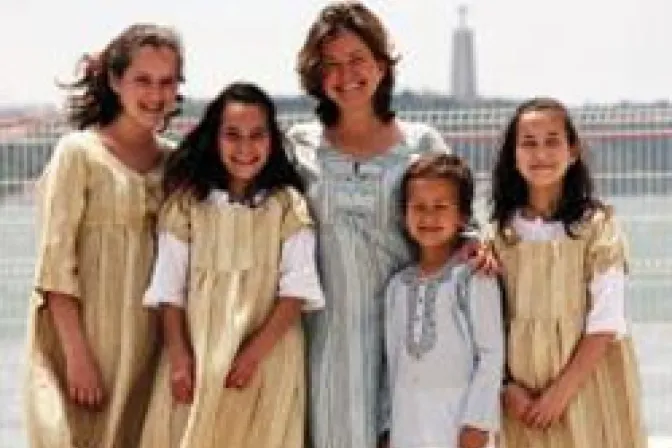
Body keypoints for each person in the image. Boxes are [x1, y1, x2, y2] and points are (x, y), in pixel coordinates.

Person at [287, 2, 500, 447]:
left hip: (414, 336)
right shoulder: (298, 145)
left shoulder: (421, 143)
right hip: (330, 339)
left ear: (382, 65)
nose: (346, 74)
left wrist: (480, 247)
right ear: (315, 75)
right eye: (331, 64)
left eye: (358, 59)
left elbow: (463, 225)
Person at [138, 82, 325, 448]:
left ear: (272, 141)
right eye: (232, 135)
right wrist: (178, 357)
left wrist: (254, 355)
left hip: (268, 358)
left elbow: (296, 291)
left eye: (257, 135)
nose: (245, 148)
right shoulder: (187, 204)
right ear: (214, 138)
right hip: (197, 357)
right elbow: (168, 289)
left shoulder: (287, 205)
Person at [24, 23, 183, 448]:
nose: (156, 94)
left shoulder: (175, 163)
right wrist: (77, 358)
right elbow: (55, 265)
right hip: (85, 346)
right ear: (115, 81)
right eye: (143, 80)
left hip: (149, 351)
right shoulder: (79, 153)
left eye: (167, 82)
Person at [491, 97, 646, 447]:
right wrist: (506, 386)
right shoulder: (499, 236)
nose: (540, 153)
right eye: (528, 143)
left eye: (552, 141)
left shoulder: (598, 227)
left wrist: (559, 395)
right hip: (521, 403)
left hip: (588, 387)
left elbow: (606, 322)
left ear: (572, 151)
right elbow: (485, 322)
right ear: (513, 156)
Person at [383, 153, 503, 448]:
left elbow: (491, 355)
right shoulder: (397, 286)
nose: (429, 217)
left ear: (462, 215)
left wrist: (477, 423)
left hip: (458, 423)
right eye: (419, 207)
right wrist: (386, 427)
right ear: (404, 214)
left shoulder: (473, 276)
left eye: (441, 207)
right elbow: (391, 362)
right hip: (407, 423)